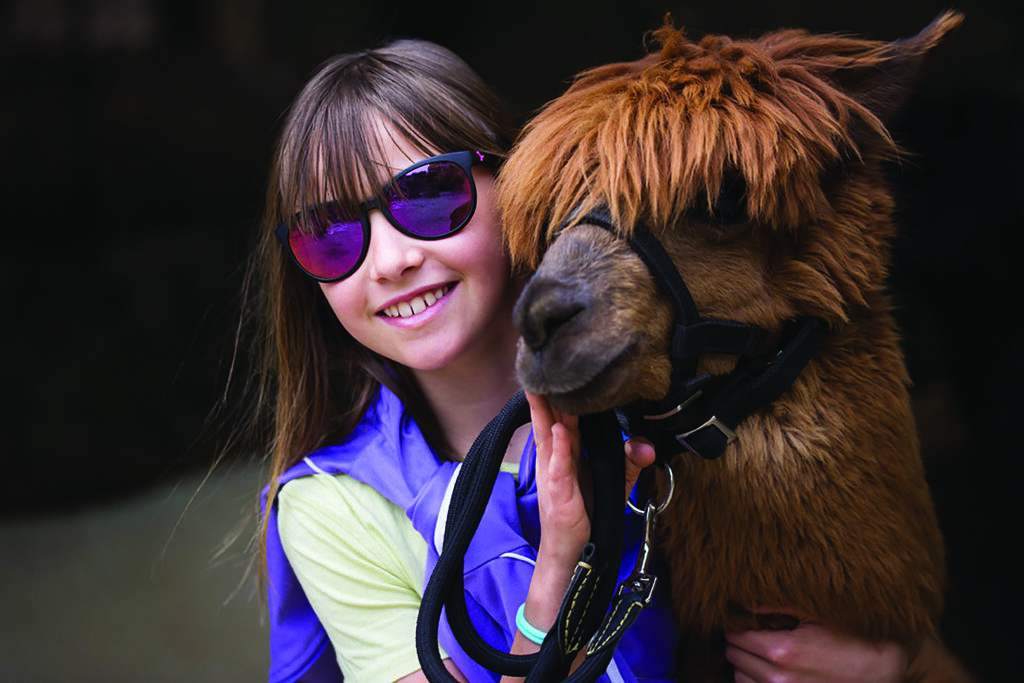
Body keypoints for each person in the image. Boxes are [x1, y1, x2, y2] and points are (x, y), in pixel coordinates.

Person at [250, 38, 911, 683]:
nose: (392, 260)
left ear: (514, 178)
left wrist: (890, 665)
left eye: (428, 195)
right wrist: (560, 569)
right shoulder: (335, 506)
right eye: (331, 235)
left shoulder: (666, 396)